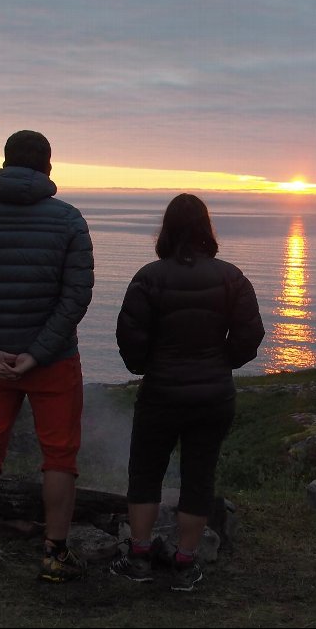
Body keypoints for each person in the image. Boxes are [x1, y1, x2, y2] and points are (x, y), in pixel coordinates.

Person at [0, 130, 94, 583]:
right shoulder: (69, 220)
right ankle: (54, 554)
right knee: (59, 457)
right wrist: (38, 353)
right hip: (53, 362)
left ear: (5, 161)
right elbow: (76, 295)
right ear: (48, 164)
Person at [109, 193, 265, 592]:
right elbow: (250, 335)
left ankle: (139, 557)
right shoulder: (232, 277)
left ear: (167, 229)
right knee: (200, 476)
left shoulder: (148, 277)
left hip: (160, 393)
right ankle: (184, 563)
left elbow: (129, 336)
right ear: (206, 229)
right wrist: (221, 362)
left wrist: (145, 366)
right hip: (213, 397)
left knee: (145, 473)